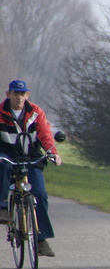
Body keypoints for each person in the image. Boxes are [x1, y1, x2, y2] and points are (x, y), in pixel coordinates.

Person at [0, 80, 62, 257]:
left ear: (27, 95)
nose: (19, 97)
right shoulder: (0, 112)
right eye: (15, 93)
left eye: (22, 94)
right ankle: (3, 208)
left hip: (31, 156)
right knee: (3, 166)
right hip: (7, 154)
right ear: (8, 94)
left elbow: (45, 134)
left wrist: (53, 153)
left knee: (40, 193)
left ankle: (41, 240)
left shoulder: (35, 112)